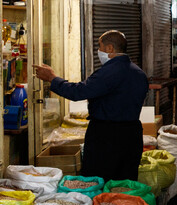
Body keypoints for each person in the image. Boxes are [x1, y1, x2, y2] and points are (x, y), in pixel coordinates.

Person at [34, 30, 148, 182]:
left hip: (107, 137)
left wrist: (52, 79)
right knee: (125, 182)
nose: (98, 51)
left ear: (110, 49)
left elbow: (78, 92)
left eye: (100, 47)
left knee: (98, 180)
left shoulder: (109, 72)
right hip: (132, 134)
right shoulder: (139, 73)